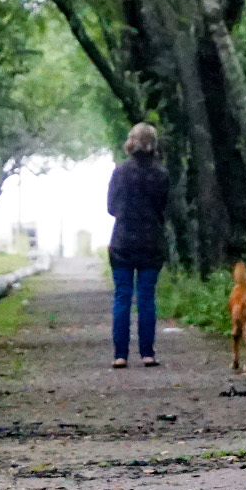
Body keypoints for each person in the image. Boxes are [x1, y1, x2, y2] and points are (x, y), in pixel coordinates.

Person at [106, 122, 171, 368]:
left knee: (122, 296)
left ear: (131, 143)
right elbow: (163, 207)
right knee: (146, 297)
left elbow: (111, 208)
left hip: (123, 241)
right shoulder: (161, 174)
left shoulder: (120, 172)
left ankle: (120, 355)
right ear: (154, 145)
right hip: (151, 241)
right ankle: (147, 353)